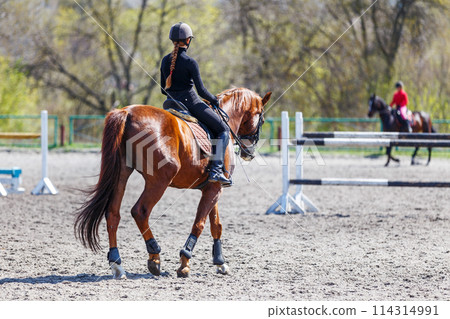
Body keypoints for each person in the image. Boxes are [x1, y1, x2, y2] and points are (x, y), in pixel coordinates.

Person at [160, 22, 231, 186]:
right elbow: (201, 91)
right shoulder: (190, 62)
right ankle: (216, 170)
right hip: (190, 103)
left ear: (172, 40)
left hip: (170, 103)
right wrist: (214, 100)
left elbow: (164, 89)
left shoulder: (165, 61)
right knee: (223, 129)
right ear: (188, 41)